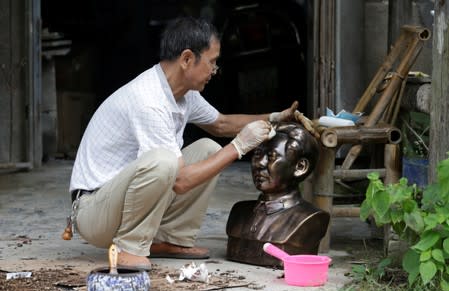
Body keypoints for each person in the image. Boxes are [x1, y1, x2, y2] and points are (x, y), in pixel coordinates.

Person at [67, 16, 298, 270]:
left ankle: (168, 239)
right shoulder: (149, 100)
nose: (215, 71)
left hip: (117, 202)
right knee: (164, 161)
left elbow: (221, 124)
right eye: (212, 62)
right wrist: (239, 147)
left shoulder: (184, 93)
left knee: (208, 149)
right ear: (187, 59)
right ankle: (128, 247)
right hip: (93, 212)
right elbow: (180, 181)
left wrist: (276, 118)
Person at [226, 122, 330, 267]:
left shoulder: (311, 219)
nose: (259, 164)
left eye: (271, 157)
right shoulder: (239, 211)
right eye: (257, 155)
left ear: (300, 167)